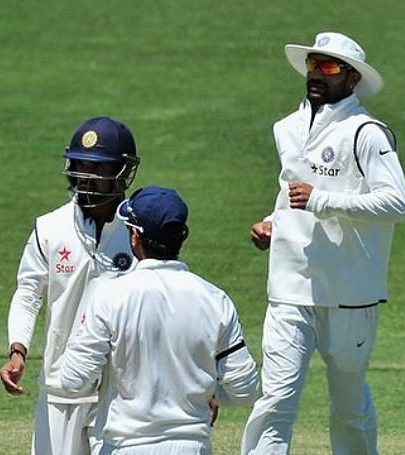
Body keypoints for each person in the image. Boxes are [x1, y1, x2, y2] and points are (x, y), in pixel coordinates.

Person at [241, 32, 405, 454]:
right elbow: (289, 191)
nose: (316, 73)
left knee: (347, 406)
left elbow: (397, 202)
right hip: (290, 287)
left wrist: (322, 200)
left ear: (352, 79)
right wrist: (271, 223)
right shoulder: (287, 128)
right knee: (276, 399)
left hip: (350, 292)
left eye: (330, 67)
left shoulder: (367, 133)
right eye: (314, 64)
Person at [58, 185, 259, 454]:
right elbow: (245, 390)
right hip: (192, 446)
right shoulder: (215, 299)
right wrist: (209, 394)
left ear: (134, 236)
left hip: (125, 447)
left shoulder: (109, 296)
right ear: (183, 236)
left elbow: (72, 380)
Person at [0, 117, 141, 454]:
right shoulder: (49, 227)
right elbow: (28, 293)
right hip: (61, 384)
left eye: (97, 169)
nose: (85, 177)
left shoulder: (140, 229)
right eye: (79, 166)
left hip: (121, 389)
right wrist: (17, 349)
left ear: (121, 173)